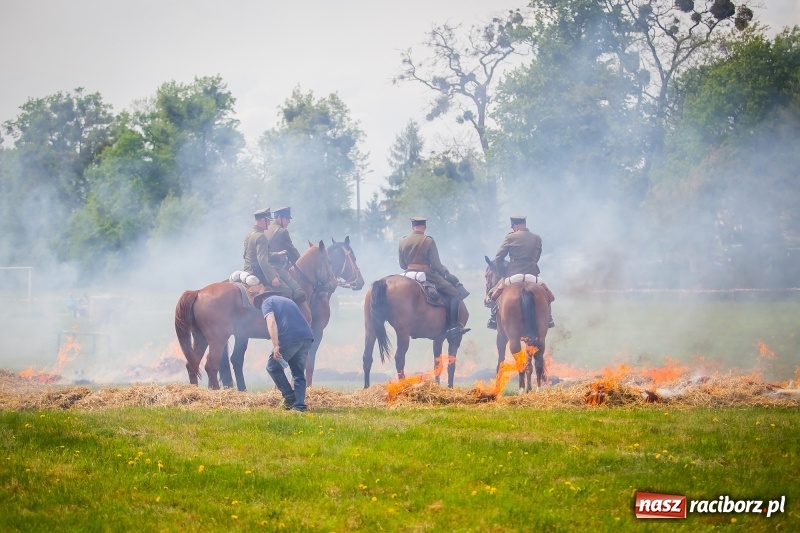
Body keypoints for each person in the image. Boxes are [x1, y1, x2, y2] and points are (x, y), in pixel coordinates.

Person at [398, 216, 470, 337]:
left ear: (412, 227)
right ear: (424, 227)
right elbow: (436, 264)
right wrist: (444, 270)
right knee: (454, 293)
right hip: (426, 274)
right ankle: (453, 326)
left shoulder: (403, 241)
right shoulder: (428, 240)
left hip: (406, 274)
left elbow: (402, 264)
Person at [488, 215, 554, 329]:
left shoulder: (510, 237)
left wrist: (504, 273)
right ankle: (549, 319)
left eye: (513, 227)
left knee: (493, 295)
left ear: (515, 226)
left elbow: (499, 258)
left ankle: (493, 319)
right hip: (532, 274)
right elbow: (537, 257)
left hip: (513, 274)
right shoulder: (537, 238)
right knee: (548, 296)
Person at [258, 290, 315, 412]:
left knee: (272, 367)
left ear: (263, 297)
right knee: (298, 373)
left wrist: (276, 345)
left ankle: (290, 398)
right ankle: (299, 406)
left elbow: (271, 322)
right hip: (307, 337)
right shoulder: (289, 301)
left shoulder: (267, 303)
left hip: (290, 338)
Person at [265, 206, 311, 321]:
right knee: (296, 291)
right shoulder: (282, 232)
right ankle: (288, 321)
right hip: (276, 268)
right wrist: (303, 266)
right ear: (279, 218)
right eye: (286, 218)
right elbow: (292, 251)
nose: (289, 221)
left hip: (265, 266)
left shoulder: (266, 228)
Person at [242, 207, 281, 289]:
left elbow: (246, 255)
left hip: (247, 270)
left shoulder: (250, 233)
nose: (270, 223)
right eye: (268, 220)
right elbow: (262, 260)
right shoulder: (261, 236)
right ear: (263, 220)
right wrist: (272, 277)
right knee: (286, 290)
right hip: (257, 273)